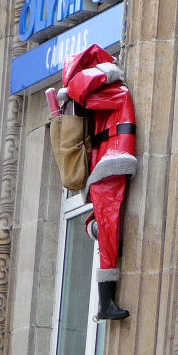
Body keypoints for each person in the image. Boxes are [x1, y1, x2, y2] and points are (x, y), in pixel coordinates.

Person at [59, 44, 137, 321]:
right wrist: (70, 95)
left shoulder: (116, 93)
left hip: (112, 164)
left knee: (107, 224)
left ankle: (106, 298)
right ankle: (106, 301)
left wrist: (69, 93)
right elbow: (82, 95)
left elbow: (82, 94)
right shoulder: (111, 95)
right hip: (108, 166)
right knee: (107, 224)